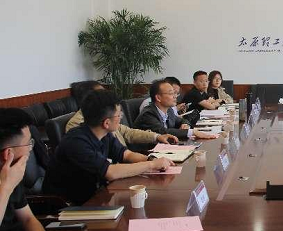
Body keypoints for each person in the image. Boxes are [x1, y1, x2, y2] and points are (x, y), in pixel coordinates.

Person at [0, 108, 93, 231]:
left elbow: (28, 219)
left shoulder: (11, 174)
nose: (31, 149)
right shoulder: (9, 179)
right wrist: (6, 186)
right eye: (29, 144)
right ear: (8, 153)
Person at [43, 90, 175, 205]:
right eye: (118, 115)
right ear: (106, 123)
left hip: (96, 196)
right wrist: (151, 165)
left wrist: (150, 159)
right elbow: (110, 172)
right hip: (69, 206)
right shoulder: (76, 142)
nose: (121, 118)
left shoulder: (103, 134)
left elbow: (126, 154)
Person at [66, 80, 178, 147]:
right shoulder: (77, 126)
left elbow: (128, 132)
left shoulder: (104, 116)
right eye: (102, 94)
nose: (107, 96)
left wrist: (157, 137)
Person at [135, 79, 219, 140]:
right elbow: (162, 132)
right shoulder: (148, 114)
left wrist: (185, 124)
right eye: (171, 93)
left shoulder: (169, 110)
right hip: (147, 153)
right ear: (158, 98)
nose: (175, 96)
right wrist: (192, 132)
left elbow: (181, 120)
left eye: (175, 93)